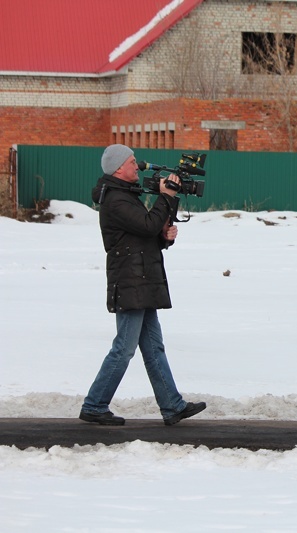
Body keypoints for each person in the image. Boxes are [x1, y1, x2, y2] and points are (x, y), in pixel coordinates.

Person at [78, 144, 206, 426]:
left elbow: (144, 233)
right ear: (119, 167)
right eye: (133, 162)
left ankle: (172, 406)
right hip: (130, 280)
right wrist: (166, 197)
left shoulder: (125, 196)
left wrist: (164, 237)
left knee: (153, 347)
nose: (138, 166)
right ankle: (94, 405)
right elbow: (146, 225)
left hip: (141, 279)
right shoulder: (115, 200)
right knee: (124, 348)